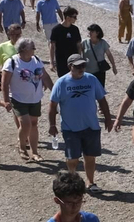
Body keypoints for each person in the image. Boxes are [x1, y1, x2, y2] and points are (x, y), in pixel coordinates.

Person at [49, 55, 115, 190]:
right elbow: (52, 105)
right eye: (77, 66)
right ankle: (73, 181)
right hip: (70, 128)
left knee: (90, 157)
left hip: (91, 125)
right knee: (73, 158)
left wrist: (108, 119)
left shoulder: (92, 79)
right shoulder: (61, 83)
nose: (81, 69)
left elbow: (102, 99)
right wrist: (52, 125)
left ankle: (90, 182)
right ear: (70, 67)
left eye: (83, 66)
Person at [2, 38, 55, 161]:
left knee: (34, 124)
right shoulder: (12, 62)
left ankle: (35, 152)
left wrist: (54, 92)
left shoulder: (36, 60)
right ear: (24, 49)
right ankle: (22, 147)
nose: (34, 50)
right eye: (33, 48)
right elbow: (5, 83)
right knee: (25, 123)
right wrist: (5, 101)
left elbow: (45, 77)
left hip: (35, 99)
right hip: (18, 99)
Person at [81, 24, 118, 88]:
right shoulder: (84, 42)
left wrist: (113, 66)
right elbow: (79, 55)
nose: (90, 33)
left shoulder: (103, 43)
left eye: (92, 32)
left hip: (99, 71)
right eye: (89, 31)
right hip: (87, 72)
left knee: (99, 90)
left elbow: (109, 55)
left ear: (97, 33)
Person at [0, 23, 24, 88]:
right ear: (9, 34)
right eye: (13, 34)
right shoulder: (2, 47)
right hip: (7, 80)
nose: (16, 37)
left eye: (18, 34)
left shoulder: (25, 46)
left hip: (22, 80)